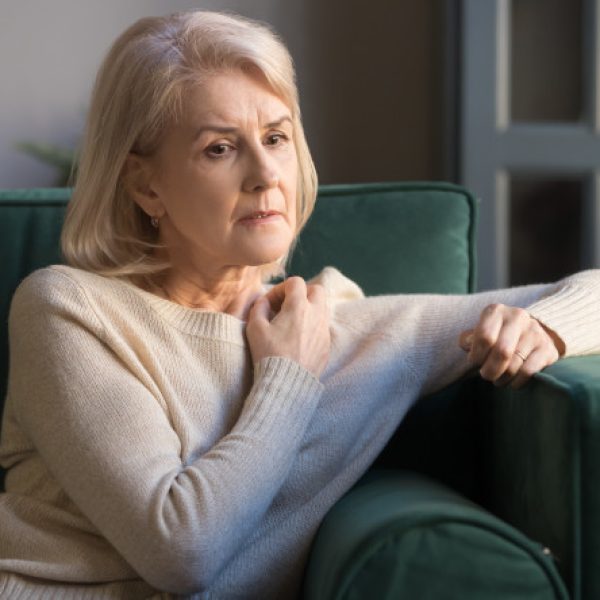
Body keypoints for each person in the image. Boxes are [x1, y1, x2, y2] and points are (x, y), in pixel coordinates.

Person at [0, 10, 599, 600]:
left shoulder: (335, 328)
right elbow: (180, 550)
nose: (265, 174)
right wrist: (286, 376)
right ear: (144, 185)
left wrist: (548, 326)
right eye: (219, 149)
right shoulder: (68, 310)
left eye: (277, 138)